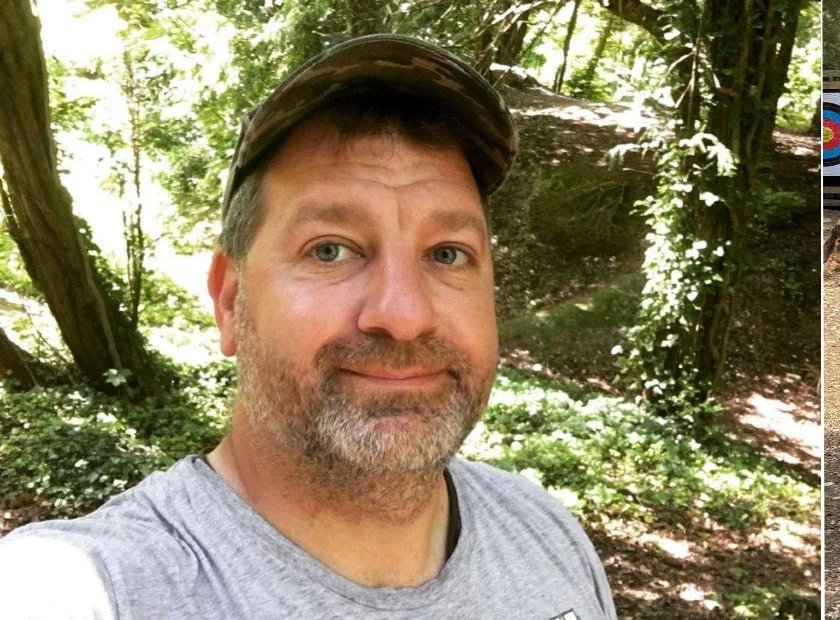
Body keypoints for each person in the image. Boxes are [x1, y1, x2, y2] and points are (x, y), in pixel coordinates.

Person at [0, 35, 618, 618]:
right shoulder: (85, 587)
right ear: (231, 301)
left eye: (448, 253)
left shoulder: (547, 536)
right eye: (330, 249)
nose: (404, 316)